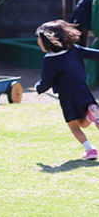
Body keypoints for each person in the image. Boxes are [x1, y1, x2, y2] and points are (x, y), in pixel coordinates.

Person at [35, 20, 99, 160]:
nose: (38, 42)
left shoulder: (49, 60)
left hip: (67, 96)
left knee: (74, 126)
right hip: (83, 90)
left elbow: (47, 82)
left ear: (47, 41)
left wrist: (38, 88)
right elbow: (94, 54)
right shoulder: (74, 49)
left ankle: (90, 150)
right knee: (83, 122)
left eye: (39, 39)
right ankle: (91, 114)